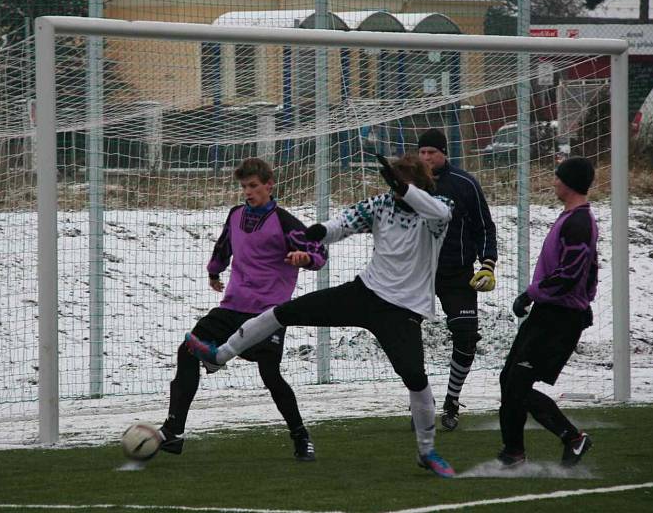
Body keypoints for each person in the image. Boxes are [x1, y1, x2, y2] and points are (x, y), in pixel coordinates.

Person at [186, 153, 457, 478]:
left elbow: (438, 211)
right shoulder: (383, 203)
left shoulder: (438, 209)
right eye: (394, 186)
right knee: (283, 312)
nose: (396, 192)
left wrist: (406, 188)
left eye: (402, 187)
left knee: (415, 377)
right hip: (365, 293)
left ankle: (427, 451)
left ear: (418, 186)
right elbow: (345, 222)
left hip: (403, 311)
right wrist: (317, 232)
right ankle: (220, 355)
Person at [156, 157, 328, 462]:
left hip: (267, 314)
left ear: (269, 185)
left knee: (271, 375)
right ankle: (174, 431)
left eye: (253, 186)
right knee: (187, 350)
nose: (248, 192)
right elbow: (225, 246)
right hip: (233, 306)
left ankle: (301, 436)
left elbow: (318, 250)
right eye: (244, 187)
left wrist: (306, 258)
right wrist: (214, 271)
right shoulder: (236, 215)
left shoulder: (286, 222)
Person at [497, 156, 598, 468]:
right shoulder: (570, 217)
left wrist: (530, 294)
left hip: (559, 318)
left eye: (557, 177)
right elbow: (589, 271)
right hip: (548, 313)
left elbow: (569, 276)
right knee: (508, 380)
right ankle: (513, 452)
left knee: (518, 386)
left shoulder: (579, 222)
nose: (553, 181)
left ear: (568, 183)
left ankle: (573, 438)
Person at [417, 128, 498, 430]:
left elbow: (485, 228)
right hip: (418, 276)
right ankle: (422, 403)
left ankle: (452, 401)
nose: (426, 158)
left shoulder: (465, 184)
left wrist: (487, 264)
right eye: (422, 152)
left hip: (457, 274)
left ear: (444, 154)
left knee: (466, 336)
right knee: (405, 338)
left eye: (432, 153)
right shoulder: (409, 186)